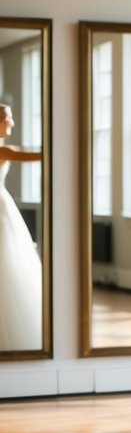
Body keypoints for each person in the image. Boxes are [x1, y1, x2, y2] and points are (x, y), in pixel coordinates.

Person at [0, 103, 43, 352]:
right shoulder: (4, 150)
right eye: (8, 117)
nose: (12, 123)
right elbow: (38, 156)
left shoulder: (5, 149)